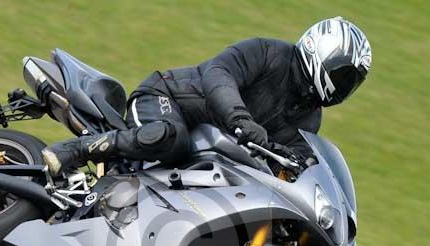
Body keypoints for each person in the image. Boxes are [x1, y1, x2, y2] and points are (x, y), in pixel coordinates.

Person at [42, 17, 372, 176]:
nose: (343, 87)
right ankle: (76, 150)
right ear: (320, 51)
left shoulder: (309, 115)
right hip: (167, 96)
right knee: (170, 137)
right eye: (343, 76)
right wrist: (241, 120)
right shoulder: (269, 52)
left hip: (209, 145)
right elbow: (218, 75)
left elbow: (293, 151)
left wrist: (306, 168)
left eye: (351, 83)